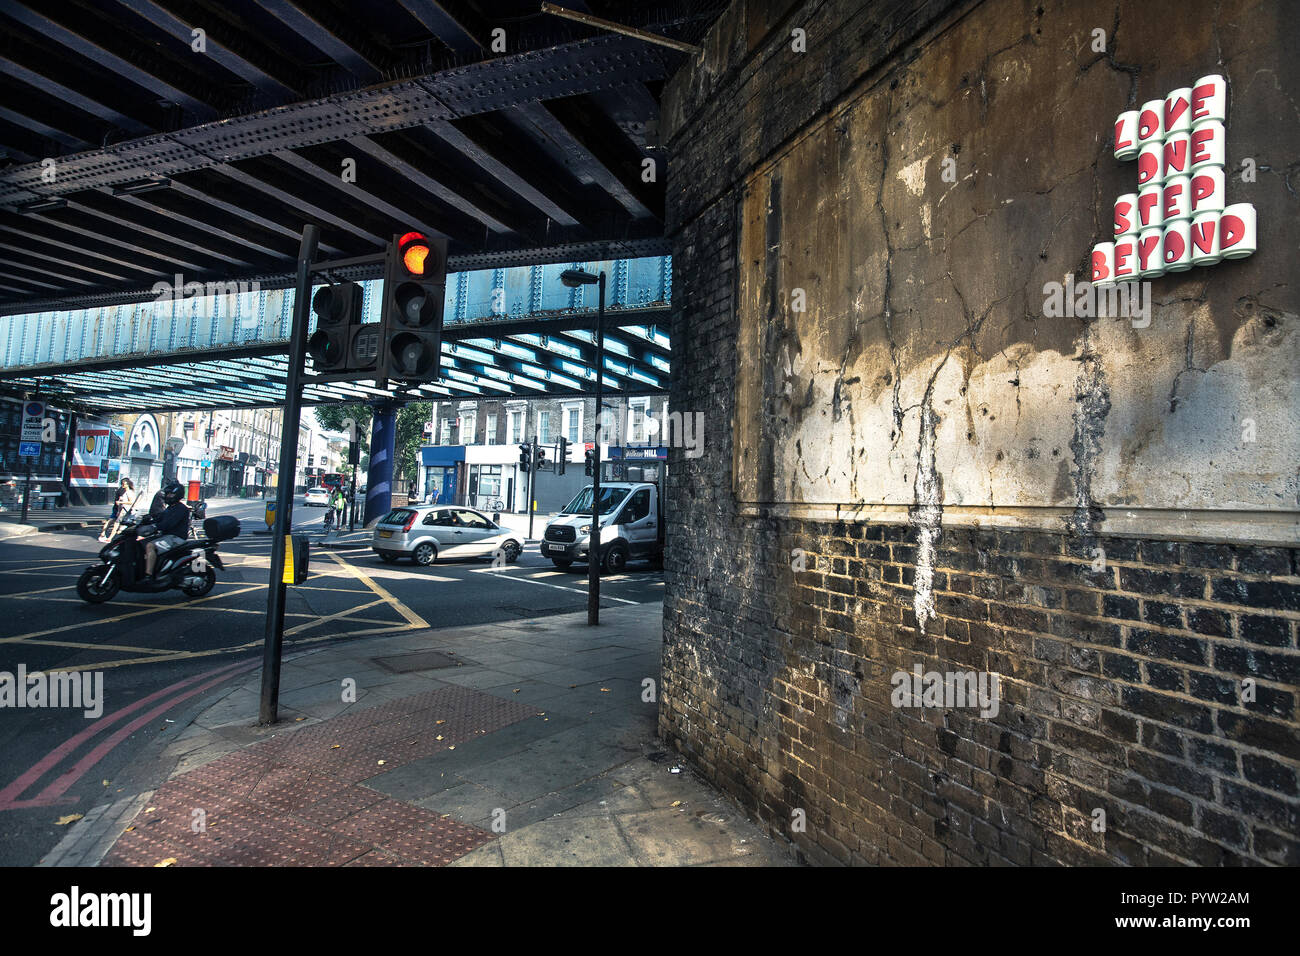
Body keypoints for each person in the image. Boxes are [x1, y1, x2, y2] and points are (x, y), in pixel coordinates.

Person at [143, 481, 190, 579]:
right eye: (167, 494)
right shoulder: (170, 508)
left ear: (177, 495)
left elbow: (168, 524)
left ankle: (148, 574)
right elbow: (160, 518)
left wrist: (155, 527)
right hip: (167, 536)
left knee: (150, 546)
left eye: (170, 494)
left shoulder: (181, 509)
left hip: (176, 538)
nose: (168, 496)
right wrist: (147, 520)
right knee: (142, 543)